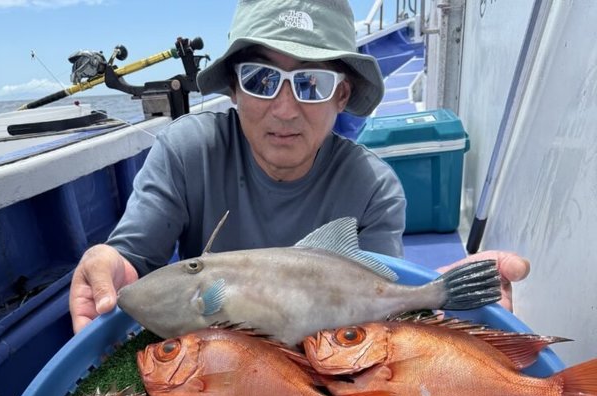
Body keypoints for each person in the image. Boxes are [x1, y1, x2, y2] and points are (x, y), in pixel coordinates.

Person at [69, 0, 529, 334]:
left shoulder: (373, 188)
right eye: (262, 79)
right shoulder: (188, 151)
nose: (285, 110)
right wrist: (110, 264)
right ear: (234, 87)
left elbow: (379, 295)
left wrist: (439, 294)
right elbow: (132, 261)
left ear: (342, 96)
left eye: (311, 83)